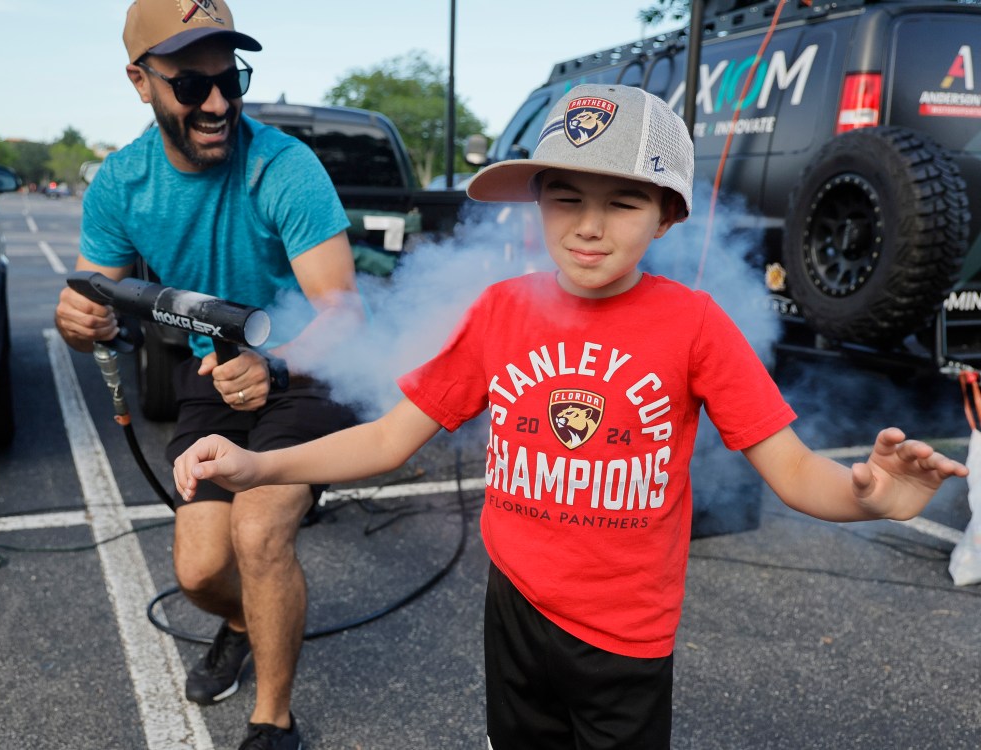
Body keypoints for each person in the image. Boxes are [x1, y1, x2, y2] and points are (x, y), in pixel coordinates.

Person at [171, 84, 969, 749]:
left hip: (626, 639)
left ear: (665, 217)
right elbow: (389, 437)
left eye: (622, 201)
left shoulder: (694, 326)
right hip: (514, 610)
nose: (589, 224)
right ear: (537, 206)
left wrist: (868, 496)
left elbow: (793, 469)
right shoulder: (500, 310)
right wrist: (259, 467)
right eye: (565, 197)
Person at [54, 1, 363, 748]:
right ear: (141, 82)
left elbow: (346, 317)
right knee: (198, 572)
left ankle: (273, 721)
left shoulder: (285, 166)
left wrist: (278, 366)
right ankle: (239, 621)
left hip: (304, 369)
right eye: (191, 86)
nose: (219, 102)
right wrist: (78, 318)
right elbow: (94, 295)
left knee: (258, 535)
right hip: (212, 373)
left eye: (231, 79)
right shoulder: (121, 185)